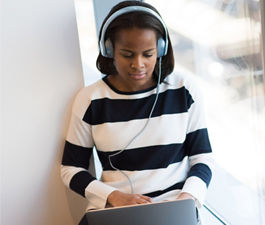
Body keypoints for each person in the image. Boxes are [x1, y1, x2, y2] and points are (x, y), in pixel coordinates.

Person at [60, 1, 213, 224]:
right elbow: (71, 169)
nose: (138, 64)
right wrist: (114, 196)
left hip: (173, 206)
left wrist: (187, 199)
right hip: (116, 210)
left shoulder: (184, 90)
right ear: (109, 49)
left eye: (148, 54)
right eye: (128, 54)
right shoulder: (90, 100)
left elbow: (203, 158)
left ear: (161, 49)